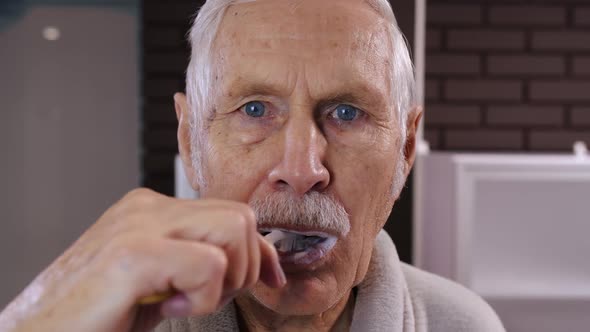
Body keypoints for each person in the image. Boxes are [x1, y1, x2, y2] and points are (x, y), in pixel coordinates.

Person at [0, 0, 505, 331]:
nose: (303, 169)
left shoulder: (465, 325)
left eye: (347, 113)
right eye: (255, 109)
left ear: (405, 151)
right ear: (190, 140)